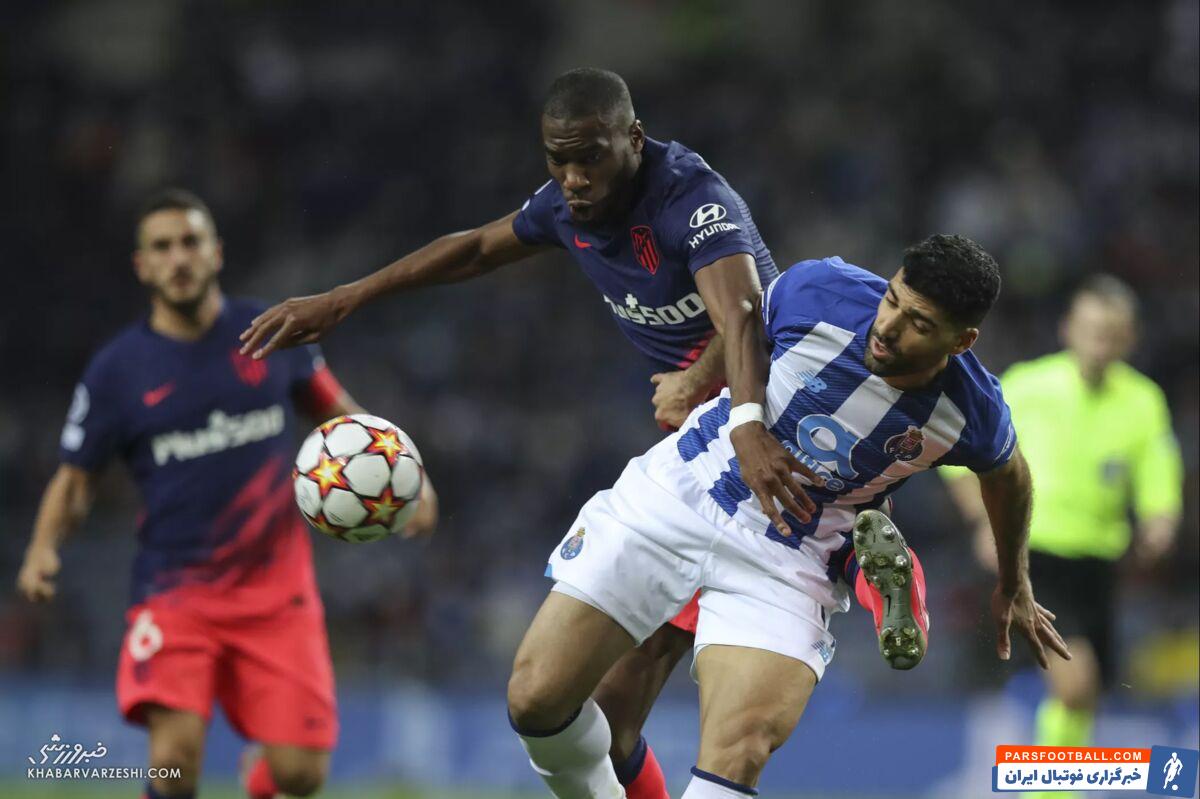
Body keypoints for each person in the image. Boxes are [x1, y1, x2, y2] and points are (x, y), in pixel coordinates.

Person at [237, 67, 931, 799]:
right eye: (558, 160)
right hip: (695, 466)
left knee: (633, 699)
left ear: (633, 139)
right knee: (609, 719)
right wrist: (345, 298)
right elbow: (474, 249)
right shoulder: (566, 206)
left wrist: (698, 382)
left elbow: (746, 312)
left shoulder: (693, 200)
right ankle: (874, 564)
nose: (573, 178)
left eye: (590, 157)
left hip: (758, 427)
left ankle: (886, 576)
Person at [505, 235, 1072, 798]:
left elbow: (1010, 477)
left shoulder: (972, 411)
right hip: (684, 492)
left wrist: (1013, 581)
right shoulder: (821, 290)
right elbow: (745, 322)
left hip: (788, 556)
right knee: (535, 701)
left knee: (738, 753)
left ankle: (887, 585)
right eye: (893, 299)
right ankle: (886, 581)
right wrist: (724, 405)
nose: (889, 326)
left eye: (919, 323)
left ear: (962, 340)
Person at [15, 189, 438, 799]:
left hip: (278, 593)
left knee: (301, 775)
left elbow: (341, 417)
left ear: (216, 252)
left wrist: (407, 481)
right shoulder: (117, 371)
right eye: (163, 247)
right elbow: (76, 478)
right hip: (176, 595)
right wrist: (42, 548)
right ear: (143, 265)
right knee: (174, 762)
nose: (178, 258)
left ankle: (259, 773)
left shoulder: (272, 333)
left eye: (190, 242)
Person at [942, 275, 1182, 799]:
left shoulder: (1142, 401)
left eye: (1112, 333)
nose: (1101, 342)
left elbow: (1157, 469)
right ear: (1068, 328)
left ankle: (1049, 786)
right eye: (1092, 329)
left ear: (1129, 338)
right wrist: (985, 523)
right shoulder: (1028, 386)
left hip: (1099, 563)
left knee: (1086, 694)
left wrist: (1160, 520)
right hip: (1034, 556)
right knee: (1076, 683)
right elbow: (960, 452)